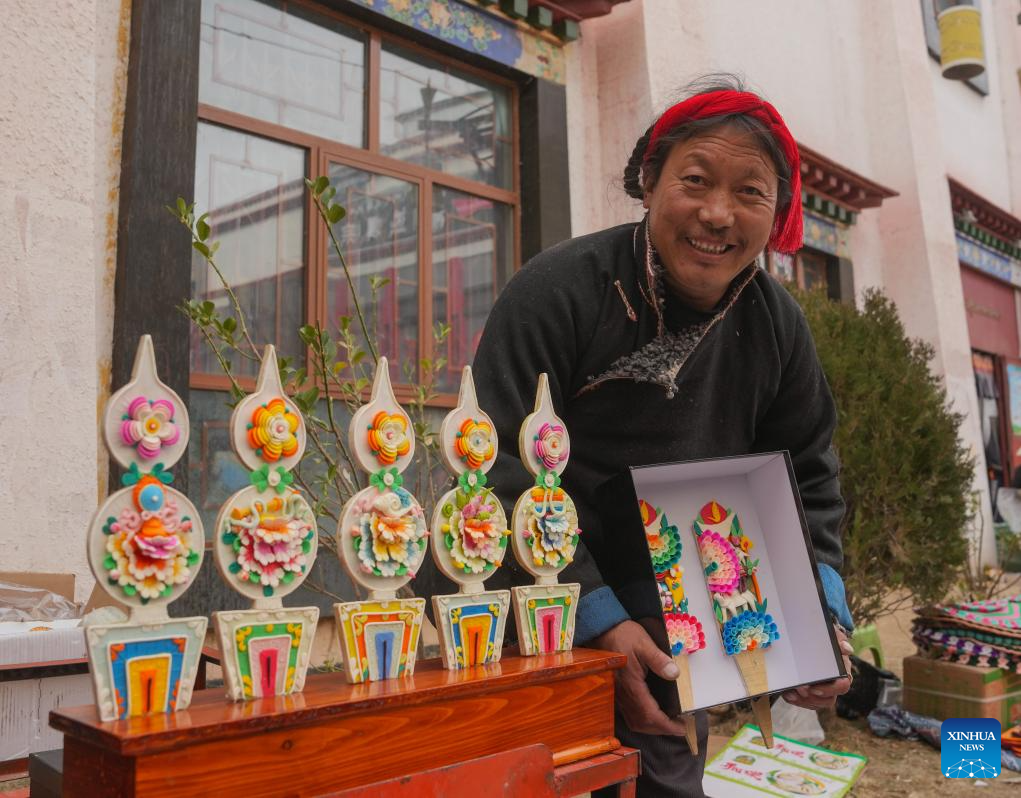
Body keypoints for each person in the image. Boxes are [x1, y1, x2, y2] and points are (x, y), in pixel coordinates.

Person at [420, 75, 855, 797]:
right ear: (649, 181)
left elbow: (806, 475)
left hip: (677, 623)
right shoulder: (558, 290)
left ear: (775, 213)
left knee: (661, 780)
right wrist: (596, 620)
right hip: (531, 605)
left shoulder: (776, 325)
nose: (716, 214)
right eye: (694, 180)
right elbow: (488, 465)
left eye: (749, 192)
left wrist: (820, 618)